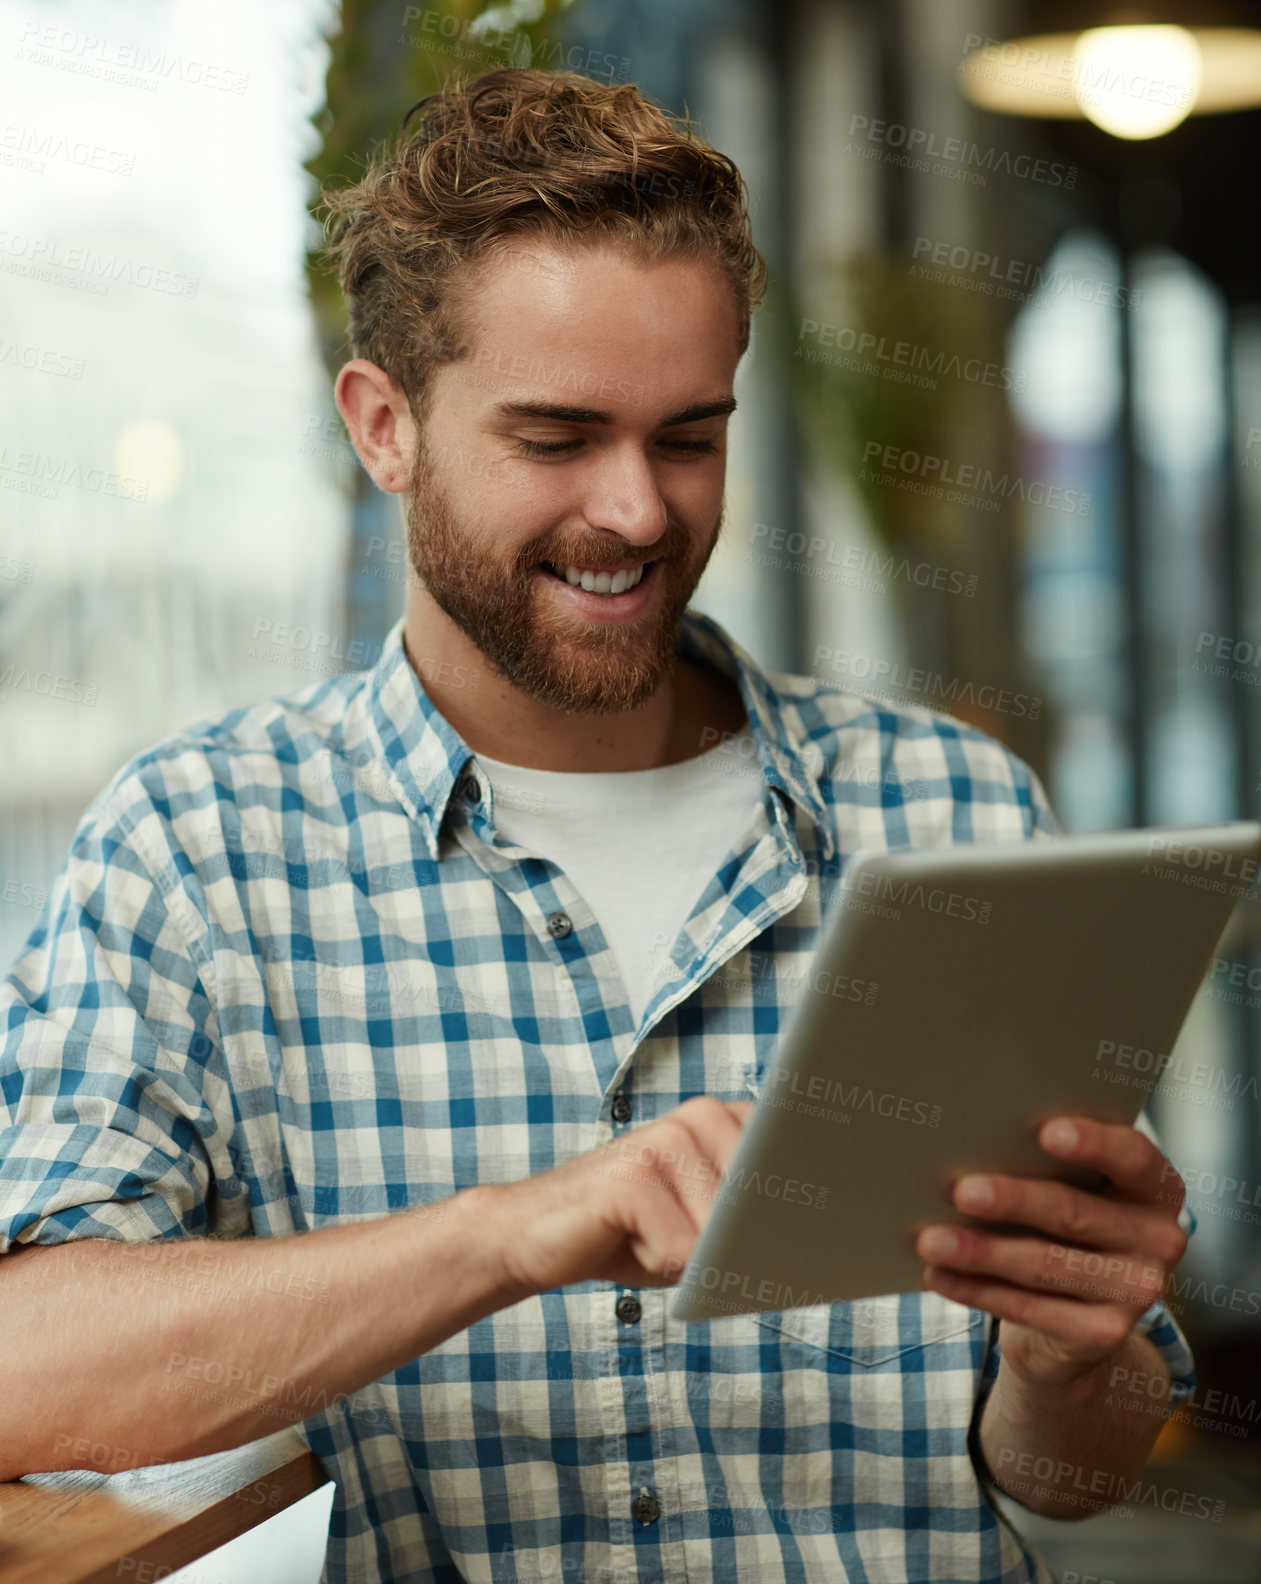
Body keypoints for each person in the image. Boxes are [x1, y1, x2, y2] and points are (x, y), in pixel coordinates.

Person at [0, 65, 1193, 1584]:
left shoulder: (948, 809)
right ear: (383, 426)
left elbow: (1073, 1479)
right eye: (557, 439)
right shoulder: (206, 847)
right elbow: (19, 1371)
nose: (635, 510)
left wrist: (1067, 1366)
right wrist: (512, 1233)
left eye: (686, 436)